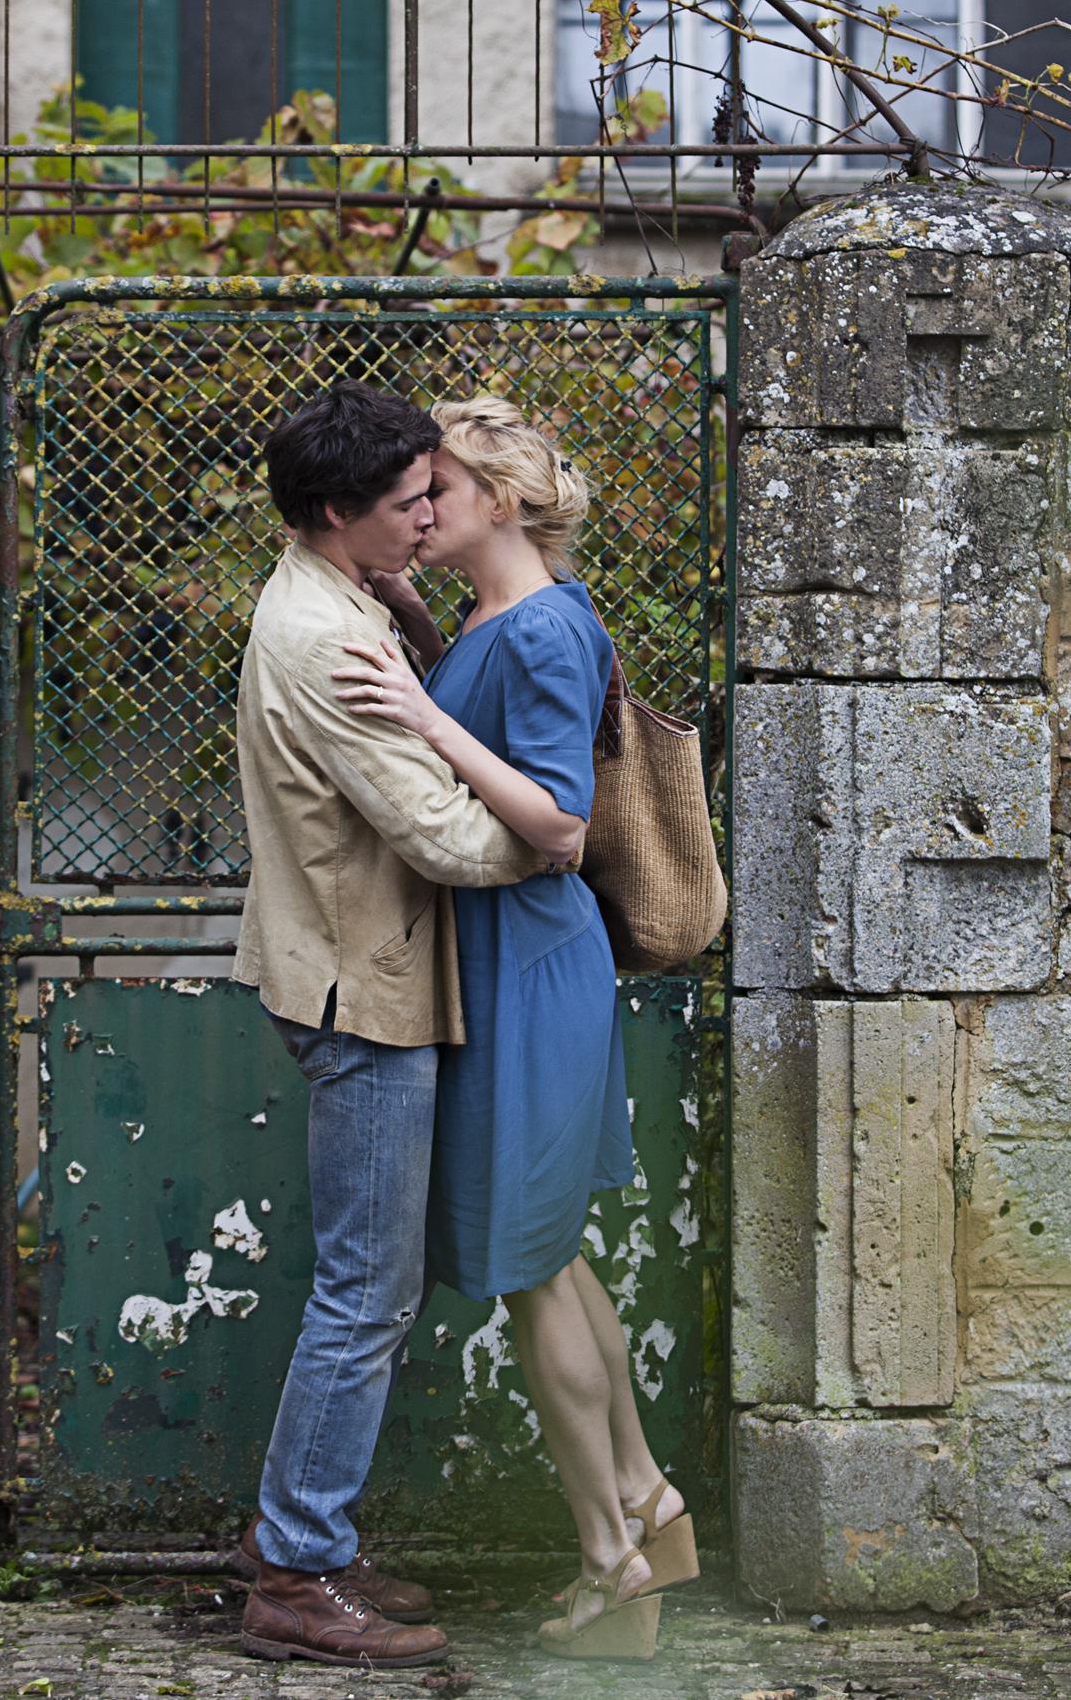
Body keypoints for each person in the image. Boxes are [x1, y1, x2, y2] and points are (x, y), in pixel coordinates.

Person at [224, 382, 583, 1669]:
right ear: (336, 512)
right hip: (362, 992)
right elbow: (440, 835)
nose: (429, 515)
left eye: (434, 493)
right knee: (364, 1295)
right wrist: (556, 838)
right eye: (405, 502)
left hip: (354, 970)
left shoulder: (342, 593)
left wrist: (417, 622)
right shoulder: (326, 641)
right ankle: (296, 1570)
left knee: (369, 1286)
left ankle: (300, 1535)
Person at [331, 395, 694, 1663]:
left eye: (435, 489)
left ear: (496, 501)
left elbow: (556, 823)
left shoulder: (541, 626)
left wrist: (421, 713)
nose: (417, 508)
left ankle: (610, 1560)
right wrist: (423, 639)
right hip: (512, 966)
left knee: (525, 1262)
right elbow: (494, 708)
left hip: (527, 967)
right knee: (551, 1254)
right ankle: (644, 1501)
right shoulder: (512, 615)